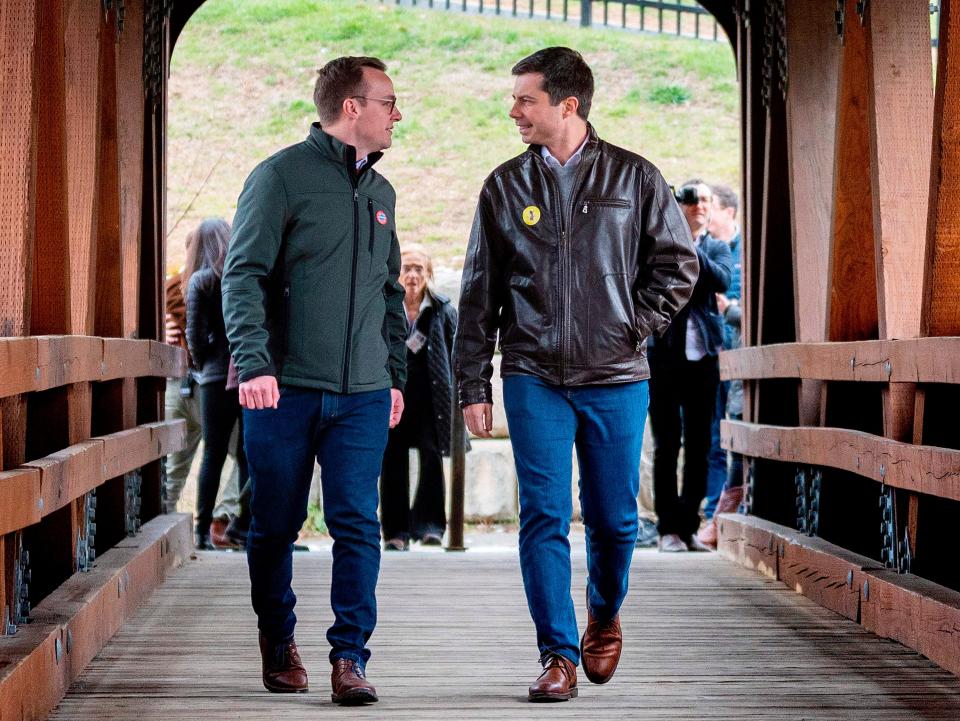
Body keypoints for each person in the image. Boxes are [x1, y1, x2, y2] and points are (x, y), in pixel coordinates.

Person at [454, 47, 698, 702]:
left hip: (617, 374)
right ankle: (558, 653)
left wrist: (633, 324)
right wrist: (472, 382)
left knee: (615, 520)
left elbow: (679, 264)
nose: (513, 110)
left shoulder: (635, 178)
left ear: (567, 104)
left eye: (525, 99)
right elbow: (479, 292)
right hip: (533, 372)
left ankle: (605, 609)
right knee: (542, 513)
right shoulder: (504, 186)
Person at [222, 55, 406, 705]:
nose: (397, 114)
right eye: (387, 101)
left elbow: (390, 294)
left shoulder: (382, 194)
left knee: (357, 522)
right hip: (283, 387)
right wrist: (254, 362)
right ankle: (278, 638)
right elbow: (241, 274)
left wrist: (395, 375)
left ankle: (350, 655)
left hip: (361, 391)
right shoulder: (279, 177)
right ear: (352, 107)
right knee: (275, 523)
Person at [648, 180, 732, 553]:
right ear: (677, 206)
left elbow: (721, 279)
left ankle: (688, 526)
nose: (698, 205)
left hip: (703, 360)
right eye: (690, 199)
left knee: (700, 445)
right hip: (665, 358)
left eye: (705, 200)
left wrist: (688, 248)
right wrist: (680, 243)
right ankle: (668, 528)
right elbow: (656, 283)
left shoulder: (715, 245)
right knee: (668, 444)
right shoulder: (660, 246)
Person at [380, 245, 458, 550]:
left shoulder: (441, 309)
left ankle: (430, 525)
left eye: (418, 269)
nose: (412, 275)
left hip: (431, 399)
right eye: (407, 269)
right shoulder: (388, 306)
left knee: (431, 458)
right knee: (393, 461)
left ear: (429, 275)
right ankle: (396, 532)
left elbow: (454, 354)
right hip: (394, 394)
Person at [185, 218, 249, 551]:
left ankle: (201, 531)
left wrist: (203, 360)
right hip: (247, 373)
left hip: (214, 377)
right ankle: (243, 525)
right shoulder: (240, 277)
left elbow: (193, 336)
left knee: (213, 454)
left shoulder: (200, 281)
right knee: (248, 453)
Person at [698, 184, 744, 548]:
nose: (703, 213)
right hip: (712, 357)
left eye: (710, 206)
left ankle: (724, 515)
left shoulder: (746, 250)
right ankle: (714, 513)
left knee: (735, 438)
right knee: (715, 439)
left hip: (743, 362)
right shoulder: (704, 249)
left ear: (728, 211)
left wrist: (730, 310)